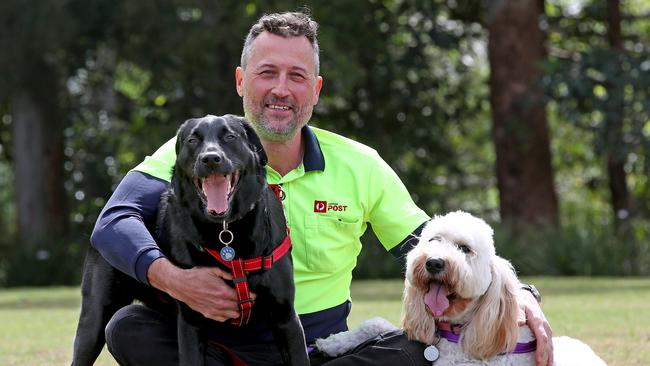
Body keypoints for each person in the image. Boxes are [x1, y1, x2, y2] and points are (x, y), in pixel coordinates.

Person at [92, 11, 553, 366]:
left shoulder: (360, 164)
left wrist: (522, 292)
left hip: (319, 351)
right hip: (216, 348)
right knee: (127, 327)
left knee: (414, 352)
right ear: (240, 81)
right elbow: (113, 223)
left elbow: (435, 251)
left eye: (296, 77)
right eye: (266, 72)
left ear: (315, 90)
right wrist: (177, 281)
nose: (280, 89)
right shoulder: (197, 150)